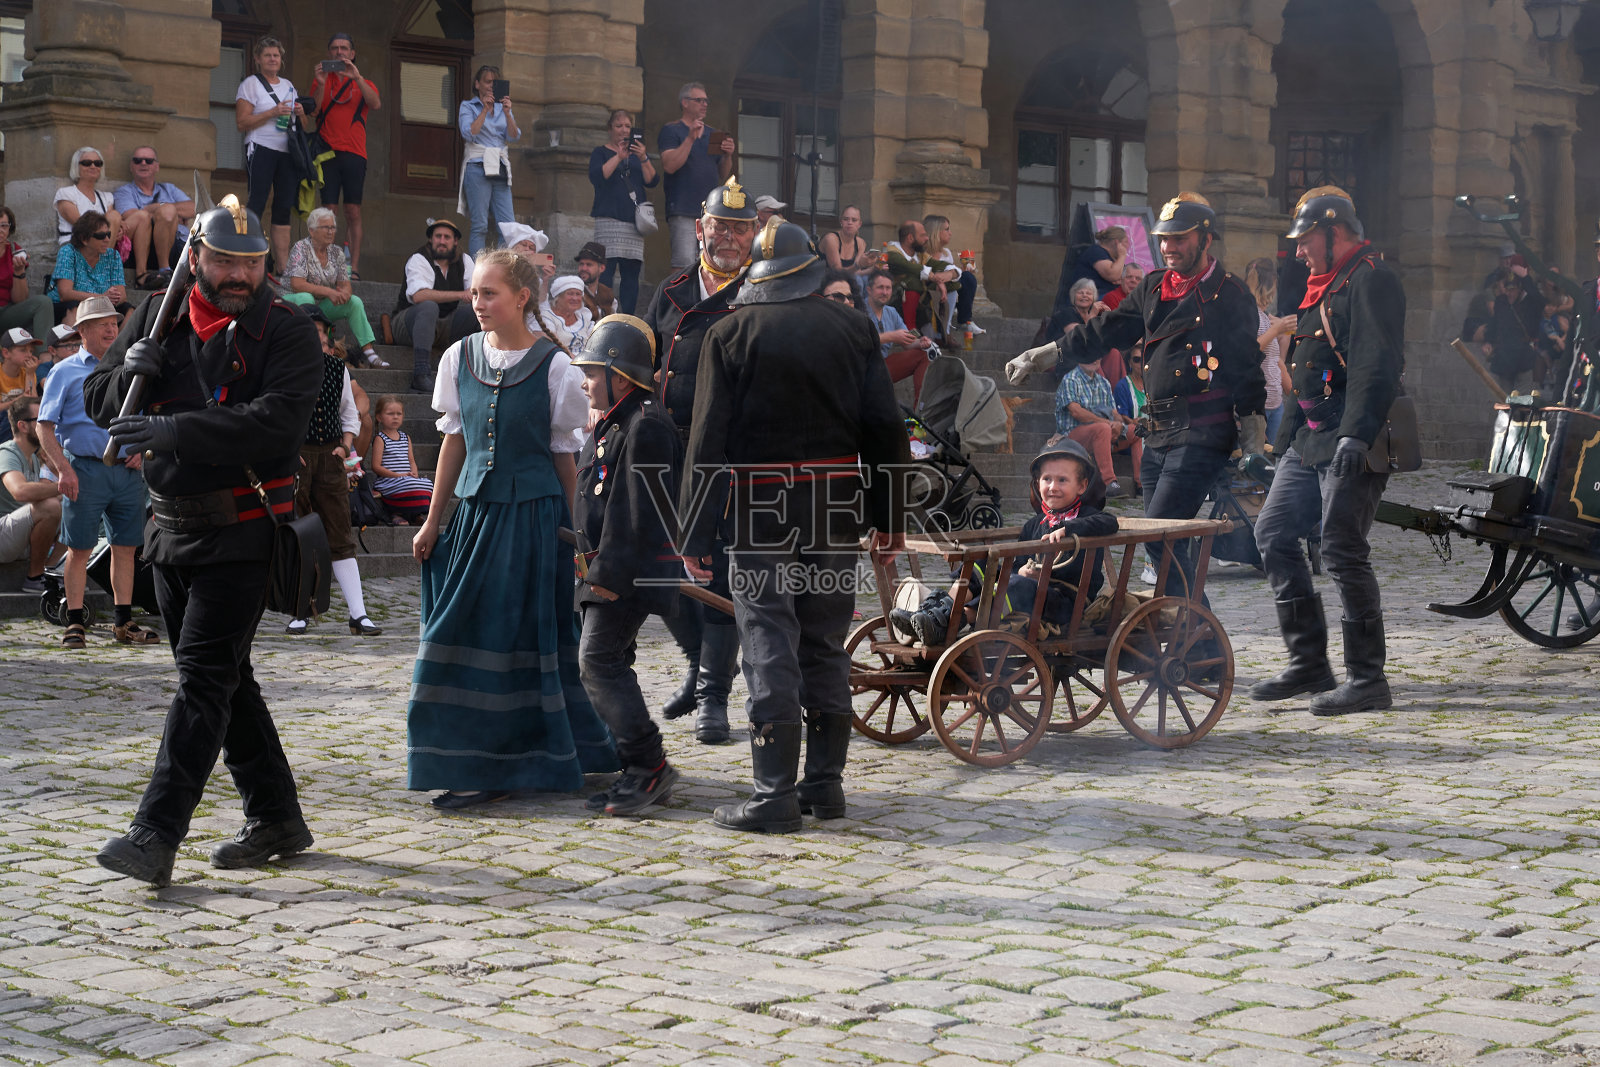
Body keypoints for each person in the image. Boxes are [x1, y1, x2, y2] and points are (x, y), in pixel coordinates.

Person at [84, 199, 322, 887]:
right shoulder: (158, 312)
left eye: (251, 262)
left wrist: (176, 430)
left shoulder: (288, 329)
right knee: (227, 678)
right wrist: (131, 371)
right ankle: (275, 813)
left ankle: (155, 833)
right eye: (225, 260)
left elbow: (275, 424)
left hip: (245, 528)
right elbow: (106, 409)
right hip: (169, 529)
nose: (239, 274)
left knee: (202, 678)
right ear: (196, 258)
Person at [680, 220, 908, 832]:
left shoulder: (728, 331)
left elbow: (707, 444)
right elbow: (886, 431)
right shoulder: (857, 328)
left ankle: (773, 794)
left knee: (767, 644)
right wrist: (890, 518)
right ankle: (825, 789)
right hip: (836, 510)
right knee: (824, 643)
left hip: (761, 510)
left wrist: (696, 535)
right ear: (811, 269)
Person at [408, 248, 618, 809]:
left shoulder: (554, 366)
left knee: (525, 637)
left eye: (489, 293)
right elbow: (455, 441)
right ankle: (473, 758)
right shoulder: (459, 357)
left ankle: (519, 762)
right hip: (477, 518)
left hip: (535, 522)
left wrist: (579, 538)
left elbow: (564, 457)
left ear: (522, 298)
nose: (477, 303)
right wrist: (433, 520)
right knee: (458, 634)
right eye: (475, 293)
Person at [1008, 193, 1266, 608]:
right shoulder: (1152, 287)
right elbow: (1103, 331)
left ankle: (1193, 628)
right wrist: (1049, 353)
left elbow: (1248, 370)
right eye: (1164, 239)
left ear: (1205, 239)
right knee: (1162, 539)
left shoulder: (1229, 294)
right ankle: (1192, 627)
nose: (1168, 248)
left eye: (1179, 239)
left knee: (1159, 534)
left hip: (1203, 433)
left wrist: (1253, 442)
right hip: (1157, 433)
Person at [1252, 187, 1404, 717]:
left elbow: (1375, 366)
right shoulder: (1323, 284)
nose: (1298, 252)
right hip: (1311, 437)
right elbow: (1307, 370)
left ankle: (1368, 680)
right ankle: (1309, 663)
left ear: (1335, 233)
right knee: (1271, 531)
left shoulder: (1373, 280)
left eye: (1306, 240)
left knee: (1340, 548)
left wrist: (1355, 436)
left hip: (1352, 435)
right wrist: (1285, 440)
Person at [641, 176, 757, 743]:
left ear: (754, 233)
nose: (729, 237)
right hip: (668, 448)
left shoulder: (762, 292)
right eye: (720, 226)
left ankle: (714, 697)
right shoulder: (670, 291)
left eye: (740, 228)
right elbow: (639, 360)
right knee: (660, 569)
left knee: (718, 573)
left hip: (726, 456)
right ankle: (697, 663)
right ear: (700, 228)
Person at [570, 315, 684, 817]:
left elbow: (638, 515)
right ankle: (636, 766)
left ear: (620, 375)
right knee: (612, 662)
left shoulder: (647, 425)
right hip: (603, 570)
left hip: (625, 574)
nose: (585, 381)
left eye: (592, 372)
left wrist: (608, 579)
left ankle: (648, 766)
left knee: (597, 663)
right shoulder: (617, 422)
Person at [893, 441, 1116, 645]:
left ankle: (958, 620)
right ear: (1037, 482)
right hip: (1033, 591)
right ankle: (938, 612)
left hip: (1066, 603)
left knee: (1017, 586)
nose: (1053, 487)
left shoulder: (1087, 517)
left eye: (1063, 480)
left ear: (1082, 485)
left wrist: (1069, 528)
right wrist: (1023, 571)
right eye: (1047, 479)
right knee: (980, 562)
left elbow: (1109, 522)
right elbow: (1019, 563)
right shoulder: (1034, 524)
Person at [34, 295, 155, 651]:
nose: (111, 328)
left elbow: (147, 418)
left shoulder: (131, 369)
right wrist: (64, 470)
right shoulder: (65, 370)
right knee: (79, 549)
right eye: (102, 323)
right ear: (82, 330)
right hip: (84, 469)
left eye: (115, 323)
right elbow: (44, 426)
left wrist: (139, 451)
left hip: (126, 470)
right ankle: (74, 622)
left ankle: (123, 621)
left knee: (126, 549)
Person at [284, 304, 380, 638]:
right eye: (312, 331)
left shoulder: (336, 369)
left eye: (322, 332)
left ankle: (359, 614)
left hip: (330, 455)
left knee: (340, 535)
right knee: (300, 536)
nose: (318, 336)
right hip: (297, 459)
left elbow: (349, 411)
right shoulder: (282, 367)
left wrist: (346, 445)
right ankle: (300, 612)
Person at [311, 32, 381, 277]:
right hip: (328, 154)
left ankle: (354, 267)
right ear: (329, 53)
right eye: (335, 48)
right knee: (328, 210)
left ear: (352, 54)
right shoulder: (323, 79)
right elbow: (314, 110)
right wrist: (320, 83)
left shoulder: (363, 81)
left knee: (353, 211)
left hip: (354, 153)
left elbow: (375, 104)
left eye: (344, 48)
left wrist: (357, 77)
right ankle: (326, 264)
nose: (339, 52)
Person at [235, 36, 306, 276]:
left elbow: (302, 123)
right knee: (256, 202)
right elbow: (242, 122)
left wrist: (300, 111)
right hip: (261, 146)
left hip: (287, 151)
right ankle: (251, 258)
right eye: (268, 55)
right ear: (257, 59)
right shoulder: (250, 84)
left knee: (283, 206)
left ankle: (283, 265)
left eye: (276, 55)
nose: (273, 59)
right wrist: (273, 112)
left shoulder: (288, 85)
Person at [282, 206, 385, 368]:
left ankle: (369, 352)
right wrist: (329, 291)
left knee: (354, 302)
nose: (331, 231)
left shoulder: (337, 253)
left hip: (319, 308)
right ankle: (305, 343)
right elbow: (297, 284)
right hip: (293, 302)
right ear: (312, 230)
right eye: (326, 227)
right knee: (306, 298)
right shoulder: (301, 248)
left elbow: (345, 285)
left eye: (333, 227)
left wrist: (344, 294)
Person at [392, 217, 476, 394]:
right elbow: (419, 296)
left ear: (455, 241)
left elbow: (476, 292)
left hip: (444, 325)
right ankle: (420, 373)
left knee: (477, 311)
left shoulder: (465, 261)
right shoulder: (419, 259)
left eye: (447, 237)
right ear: (431, 240)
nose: (442, 241)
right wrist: (461, 294)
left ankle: (451, 361)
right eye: (438, 236)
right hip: (408, 325)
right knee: (428, 306)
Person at [588, 109, 659, 316]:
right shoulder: (600, 152)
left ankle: (628, 315)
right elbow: (598, 177)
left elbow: (652, 180)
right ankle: (604, 313)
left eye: (628, 126)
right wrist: (619, 156)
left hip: (633, 223)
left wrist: (643, 157)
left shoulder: (638, 156)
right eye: (619, 126)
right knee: (606, 271)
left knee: (631, 275)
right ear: (610, 129)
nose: (624, 130)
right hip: (608, 219)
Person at [658, 82, 735, 269]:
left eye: (706, 101)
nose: (705, 104)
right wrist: (690, 138)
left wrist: (728, 155)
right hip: (682, 208)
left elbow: (723, 174)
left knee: (709, 263)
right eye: (699, 100)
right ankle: (682, 299)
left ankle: (703, 299)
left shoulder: (713, 133)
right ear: (685, 102)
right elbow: (670, 166)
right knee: (683, 263)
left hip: (709, 211)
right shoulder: (672, 130)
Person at [0, 395, 64, 592]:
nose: (49, 425)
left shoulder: (34, 458)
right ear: (23, 425)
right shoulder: (6, 452)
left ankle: (51, 570)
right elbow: (20, 491)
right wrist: (65, 486)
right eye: (41, 420)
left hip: (20, 538)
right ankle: (35, 577)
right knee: (53, 505)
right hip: (3, 536)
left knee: (77, 505)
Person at [1054, 354, 1141, 497]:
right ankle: (1109, 483)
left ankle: (1141, 484)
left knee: (1136, 431)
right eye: (1088, 354)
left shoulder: (1103, 382)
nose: (1093, 358)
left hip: (1104, 435)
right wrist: (1107, 423)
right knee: (1102, 428)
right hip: (1072, 437)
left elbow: (1114, 412)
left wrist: (1118, 424)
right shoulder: (1070, 379)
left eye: (1097, 355)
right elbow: (1076, 412)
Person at [457, 64, 521, 256]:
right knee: (480, 225)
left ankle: (501, 271)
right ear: (477, 84)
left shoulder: (504, 109)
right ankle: (477, 274)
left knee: (508, 227)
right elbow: (469, 133)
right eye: (487, 81)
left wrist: (508, 113)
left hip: (499, 167)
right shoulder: (468, 106)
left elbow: (514, 136)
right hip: (477, 166)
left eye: (495, 82)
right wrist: (484, 110)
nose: (491, 86)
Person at [113, 146, 196, 288]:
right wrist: (169, 216)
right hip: (144, 249)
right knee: (165, 212)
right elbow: (133, 217)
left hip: (179, 246)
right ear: (131, 166)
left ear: (157, 166)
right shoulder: (124, 192)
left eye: (149, 161)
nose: (143, 163)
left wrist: (157, 207)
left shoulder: (169, 188)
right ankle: (165, 271)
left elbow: (194, 208)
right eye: (138, 160)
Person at [1045, 226, 1130, 343]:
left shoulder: (1110, 258)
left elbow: (1121, 278)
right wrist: (1122, 256)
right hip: (1094, 303)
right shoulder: (1096, 252)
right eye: (1126, 242)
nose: (1128, 246)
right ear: (1117, 242)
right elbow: (1112, 275)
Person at [863, 269, 934, 407]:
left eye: (888, 288)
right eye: (880, 287)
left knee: (924, 354)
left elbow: (907, 342)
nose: (885, 292)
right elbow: (857, 341)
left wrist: (921, 343)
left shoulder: (891, 312)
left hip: (882, 367)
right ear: (869, 290)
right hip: (860, 369)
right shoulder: (858, 309)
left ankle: (919, 413)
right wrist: (891, 336)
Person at [1247, 256, 1295, 444]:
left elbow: (1277, 363)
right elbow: (1249, 352)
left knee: (1277, 460)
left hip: (1275, 401)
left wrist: (1295, 399)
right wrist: (1277, 330)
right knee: (1258, 463)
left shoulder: (1268, 318)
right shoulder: (1248, 315)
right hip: (1258, 404)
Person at [49, 212, 128, 325]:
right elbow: (65, 294)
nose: (107, 239)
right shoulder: (68, 252)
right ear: (84, 239)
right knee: (75, 308)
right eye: (100, 236)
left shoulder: (113, 255)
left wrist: (111, 298)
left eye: (108, 234)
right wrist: (101, 298)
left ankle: (119, 343)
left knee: (128, 310)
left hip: (101, 307)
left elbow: (122, 295)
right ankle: (74, 342)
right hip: (68, 307)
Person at [885, 219, 959, 335]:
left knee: (955, 282)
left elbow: (941, 265)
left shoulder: (921, 255)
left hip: (919, 305)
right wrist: (932, 276)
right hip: (892, 304)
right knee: (913, 280)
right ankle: (910, 328)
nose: (927, 238)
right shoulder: (891, 251)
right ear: (910, 238)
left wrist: (949, 274)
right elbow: (907, 266)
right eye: (923, 235)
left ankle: (944, 333)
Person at [370, 394, 432, 523]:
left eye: (399, 414)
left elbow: (411, 461)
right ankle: (396, 513)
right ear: (379, 417)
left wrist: (414, 473)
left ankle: (414, 514)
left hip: (405, 478)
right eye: (390, 413)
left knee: (428, 484)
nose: (395, 417)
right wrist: (396, 475)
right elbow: (376, 466)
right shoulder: (380, 439)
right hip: (389, 480)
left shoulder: (405, 437)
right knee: (407, 484)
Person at [1484, 263, 1543, 392]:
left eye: (1513, 289)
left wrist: (1526, 278)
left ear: (1520, 289)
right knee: (1505, 402)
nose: (1510, 293)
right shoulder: (1501, 302)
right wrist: (1488, 341)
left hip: (1523, 358)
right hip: (1504, 359)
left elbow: (1539, 300)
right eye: (1508, 289)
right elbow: (1494, 323)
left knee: (1521, 402)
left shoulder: (1529, 304)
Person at [922, 214, 982, 338]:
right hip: (929, 296)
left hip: (947, 295)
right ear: (936, 231)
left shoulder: (946, 253)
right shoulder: (922, 253)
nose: (950, 233)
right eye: (947, 229)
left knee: (968, 278)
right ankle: (944, 331)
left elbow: (952, 277)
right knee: (950, 285)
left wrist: (960, 272)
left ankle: (965, 321)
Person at [0, 208, 53, 344]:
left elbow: (20, 299)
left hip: (6, 311)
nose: (0, 230)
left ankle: (43, 357)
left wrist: (19, 272)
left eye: (4, 225)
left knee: (43, 302)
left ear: (9, 228)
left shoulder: (14, 251)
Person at [54, 147, 122, 248]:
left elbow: (112, 223)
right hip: (75, 244)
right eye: (87, 163)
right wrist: (113, 227)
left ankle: (104, 260)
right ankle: (105, 261)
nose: (93, 166)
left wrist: (119, 229)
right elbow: (82, 226)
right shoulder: (66, 194)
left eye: (97, 163)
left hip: (101, 245)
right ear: (76, 167)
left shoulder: (106, 197)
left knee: (130, 217)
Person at [541, 276, 594, 354]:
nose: (575, 298)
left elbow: (593, 345)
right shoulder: (547, 317)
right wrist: (576, 362)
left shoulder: (584, 317)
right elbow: (555, 345)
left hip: (585, 362)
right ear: (558, 297)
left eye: (578, 294)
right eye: (570, 294)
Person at [820, 204, 874, 277]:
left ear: (859, 224)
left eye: (854, 220)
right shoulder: (831, 239)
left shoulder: (860, 243)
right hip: (824, 282)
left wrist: (873, 269)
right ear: (841, 222)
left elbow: (855, 273)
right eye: (846, 219)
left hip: (846, 281)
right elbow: (837, 272)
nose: (850, 223)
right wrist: (858, 265)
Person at [573, 242, 617, 319]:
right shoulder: (571, 292)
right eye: (581, 264)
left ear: (602, 268)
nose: (584, 268)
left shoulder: (608, 295)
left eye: (589, 265)